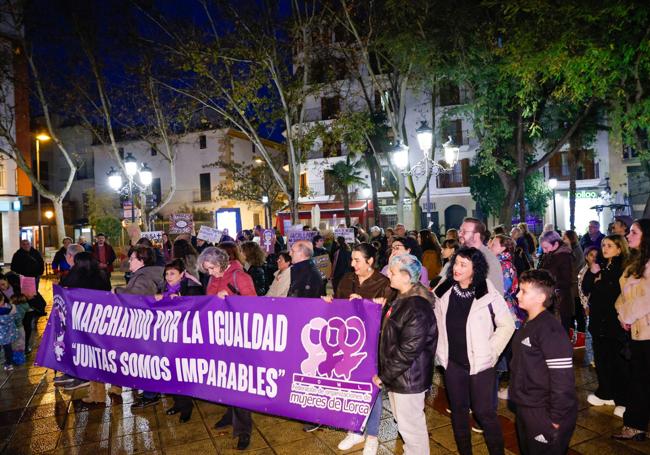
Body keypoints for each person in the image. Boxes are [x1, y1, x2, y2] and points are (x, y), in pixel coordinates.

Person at [433, 247, 515, 455]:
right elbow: (427, 310)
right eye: (456, 263)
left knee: (484, 413)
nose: (456, 268)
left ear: (475, 269)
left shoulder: (487, 292)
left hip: (481, 365)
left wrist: (492, 351)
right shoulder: (444, 290)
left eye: (463, 265)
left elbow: (507, 325)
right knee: (459, 413)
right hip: (453, 364)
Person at [332, 243, 396, 454]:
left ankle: (373, 436)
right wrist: (328, 302)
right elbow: (337, 308)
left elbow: (387, 313)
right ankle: (355, 429)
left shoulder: (384, 283)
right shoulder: (346, 280)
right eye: (352, 259)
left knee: (372, 390)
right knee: (351, 388)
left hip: (373, 345)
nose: (352, 264)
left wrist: (366, 303)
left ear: (370, 261)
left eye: (357, 260)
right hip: (347, 345)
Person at [374, 254, 437, 455]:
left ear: (406, 276)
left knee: (412, 429)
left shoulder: (417, 307)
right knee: (405, 425)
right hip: (400, 377)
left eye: (392, 272)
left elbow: (408, 351)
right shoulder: (402, 298)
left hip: (408, 379)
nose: (388, 275)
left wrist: (384, 376)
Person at [510, 269, 577, 455]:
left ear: (540, 297)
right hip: (527, 406)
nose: (517, 294)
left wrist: (555, 418)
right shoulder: (530, 323)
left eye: (523, 291)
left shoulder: (550, 329)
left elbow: (563, 380)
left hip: (543, 410)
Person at [198, 246, 255, 450]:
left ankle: (243, 430)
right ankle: (230, 415)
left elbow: (254, 308)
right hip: (221, 337)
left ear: (222, 263)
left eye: (211, 268)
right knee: (227, 380)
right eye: (207, 269)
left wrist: (231, 298)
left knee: (240, 384)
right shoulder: (214, 278)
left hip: (239, 339)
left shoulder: (240, 277)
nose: (209, 273)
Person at [581, 234, 630, 418]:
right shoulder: (600, 266)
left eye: (609, 245)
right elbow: (586, 288)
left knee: (617, 362)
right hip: (598, 321)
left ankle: (623, 399)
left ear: (619, 248)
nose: (605, 248)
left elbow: (612, 292)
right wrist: (593, 275)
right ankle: (605, 392)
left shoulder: (622, 269)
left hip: (613, 322)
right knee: (601, 360)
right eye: (603, 245)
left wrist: (599, 281)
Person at [613, 219, 650, 441]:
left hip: (646, 331)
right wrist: (621, 314)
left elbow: (646, 299)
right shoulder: (636, 261)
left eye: (634, 232)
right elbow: (624, 295)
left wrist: (626, 315)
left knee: (641, 380)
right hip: (637, 330)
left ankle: (635, 425)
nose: (628, 235)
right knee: (640, 378)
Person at [115, 246, 165, 409]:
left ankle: (151, 394)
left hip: (146, 326)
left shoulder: (143, 277)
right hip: (151, 324)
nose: (129, 261)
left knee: (148, 359)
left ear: (142, 261)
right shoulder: (147, 274)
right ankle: (152, 391)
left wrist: (117, 291)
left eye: (132, 259)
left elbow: (136, 298)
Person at [154, 259, 203, 422]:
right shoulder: (163, 288)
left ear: (182, 274)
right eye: (167, 273)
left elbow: (200, 308)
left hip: (186, 338)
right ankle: (178, 402)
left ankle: (186, 407)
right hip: (168, 337)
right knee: (170, 371)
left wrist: (182, 300)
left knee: (183, 372)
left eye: (172, 273)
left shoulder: (192, 287)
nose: (168, 277)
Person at [59, 248, 111, 395]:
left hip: (80, 319)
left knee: (79, 347)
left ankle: (81, 375)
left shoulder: (76, 276)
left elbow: (66, 287)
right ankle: (79, 374)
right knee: (89, 348)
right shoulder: (101, 275)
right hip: (96, 317)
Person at [538, 231, 576, 332]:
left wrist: (547, 283)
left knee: (560, 334)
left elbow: (567, 281)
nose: (545, 251)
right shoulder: (550, 254)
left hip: (560, 303)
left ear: (555, 244)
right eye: (543, 248)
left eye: (546, 248)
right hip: (551, 300)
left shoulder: (564, 256)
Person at [458, 218, 504, 295]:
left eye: (464, 232)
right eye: (460, 231)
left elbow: (496, 295)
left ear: (476, 236)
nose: (459, 234)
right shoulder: (460, 254)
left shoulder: (489, 260)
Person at [577, 246, 598, 367]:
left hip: (597, 304)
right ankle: (591, 358)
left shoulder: (599, 268)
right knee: (589, 332)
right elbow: (582, 291)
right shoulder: (584, 271)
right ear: (586, 257)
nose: (594, 258)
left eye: (596, 255)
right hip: (589, 305)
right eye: (591, 255)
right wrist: (586, 306)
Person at [564, 230, 586, 335]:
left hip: (575, 287)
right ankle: (573, 334)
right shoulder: (572, 249)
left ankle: (581, 334)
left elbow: (573, 267)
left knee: (577, 312)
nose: (562, 240)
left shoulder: (576, 250)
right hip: (572, 287)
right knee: (572, 312)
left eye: (564, 238)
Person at [0, 293, 17, 371]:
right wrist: (13, 306)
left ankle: (7, 362)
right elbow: (15, 314)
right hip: (7, 335)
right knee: (8, 349)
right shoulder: (8, 308)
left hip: (2, 335)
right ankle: (9, 364)